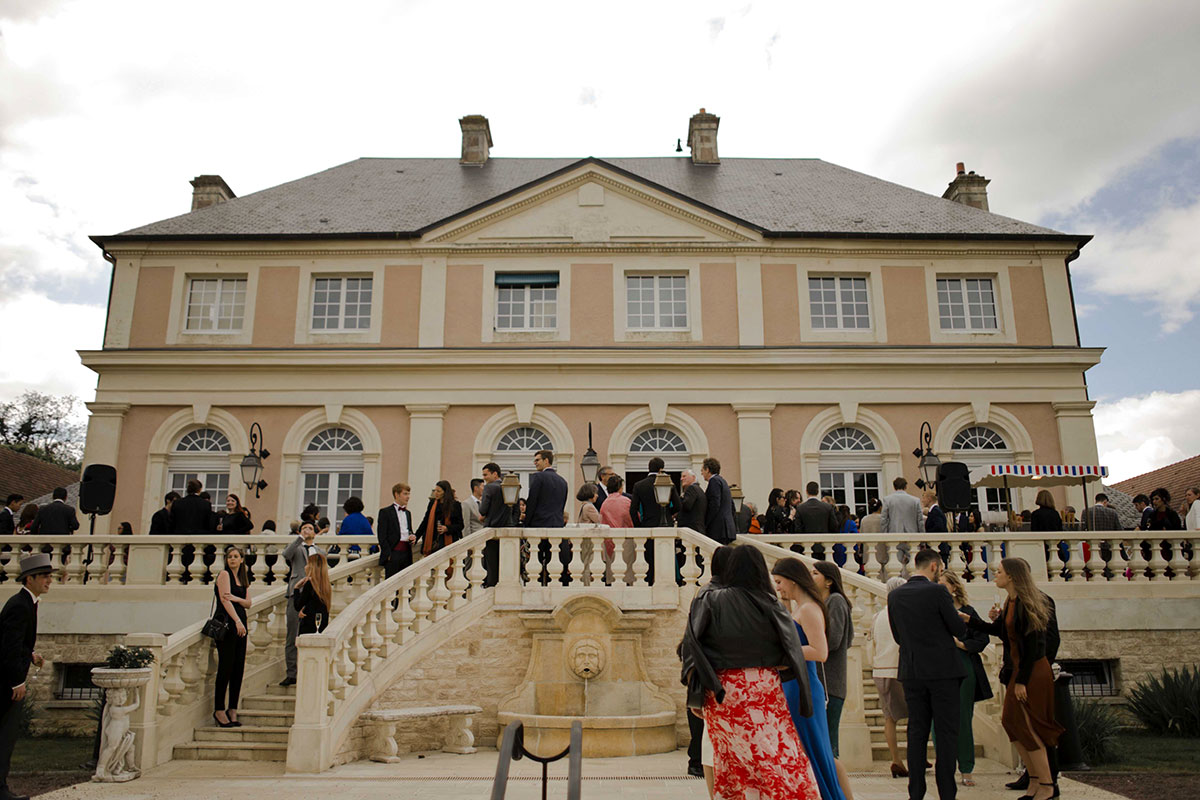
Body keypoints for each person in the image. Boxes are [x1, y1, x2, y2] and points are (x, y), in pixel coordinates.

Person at [680, 545, 820, 800]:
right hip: (764, 685)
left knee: (732, 760)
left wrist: (695, 690)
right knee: (776, 752)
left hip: (723, 688)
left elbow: (692, 646)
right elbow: (789, 646)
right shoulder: (769, 602)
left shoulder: (710, 598)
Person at [963, 559, 1063, 800]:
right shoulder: (1011, 602)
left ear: (1012, 576)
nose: (994, 574)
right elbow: (999, 631)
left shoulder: (1029, 603)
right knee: (1011, 723)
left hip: (1031, 672)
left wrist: (1022, 681)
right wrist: (968, 620)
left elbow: (1037, 646)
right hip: (1019, 670)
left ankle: (1047, 785)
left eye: (999, 572)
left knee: (1030, 727)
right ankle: (1036, 778)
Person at [887, 547, 970, 800]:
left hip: (912, 670)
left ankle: (916, 792)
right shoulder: (938, 592)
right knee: (946, 733)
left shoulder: (896, 595)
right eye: (941, 569)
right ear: (934, 566)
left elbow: (897, 635)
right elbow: (958, 630)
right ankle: (947, 792)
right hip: (943, 670)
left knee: (916, 731)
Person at [771, 557, 850, 800]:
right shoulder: (801, 608)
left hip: (804, 687)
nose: (778, 587)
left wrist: (783, 653)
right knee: (809, 750)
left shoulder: (809, 609)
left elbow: (821, 651)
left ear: (793, 581)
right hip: (795, 686)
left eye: (780, 582)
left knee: (816, 750)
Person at [0, 553, 52, 800]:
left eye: (49, 576)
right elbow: (7, 647)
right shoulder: (20, 606)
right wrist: (16, 682)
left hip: (10, 679)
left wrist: (31, 654)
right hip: (7, 684)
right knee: (4, 736)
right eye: (44, 576)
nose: (49, 581)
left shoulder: (27, 603)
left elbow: (16, 642)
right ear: (29, 579)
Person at [935, 570, 992, 787]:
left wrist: (962, 645)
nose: (940, 587)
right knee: (937, 719)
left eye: (943, 584)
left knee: (963, 719)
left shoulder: (968, 611)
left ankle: (966, 768)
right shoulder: (937, 610)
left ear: (954, 587)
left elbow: (982, 637)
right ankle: (944, 767)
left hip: (964, 665)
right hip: (939, 667)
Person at [684, 544, 733, 788]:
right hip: (717, 671)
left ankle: (698, 765)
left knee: (706, 737)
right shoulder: (721, 595)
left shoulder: (703, 593)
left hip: (704, 670)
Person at [811, 562, 853, 764]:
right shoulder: (823, 602)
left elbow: (834, 640)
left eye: (815, 573)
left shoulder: (835, 601)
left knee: (828, 745)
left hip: (830, 683)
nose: (811, 577)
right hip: (825, 682)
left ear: (829, 581)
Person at [870, 577, 909, 778]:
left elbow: (873, 643)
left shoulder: (878, 616)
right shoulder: (905, 614)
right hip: (901, 669)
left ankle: (896, 759)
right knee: (915, 716)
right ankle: (914, 756)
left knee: (889, 718)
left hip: (880, 669)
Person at [279, 522, 324, 687]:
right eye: (305, 528)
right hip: (295, 595)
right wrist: (300, 538)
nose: (308, 530)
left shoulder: (320, 552)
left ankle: (309, 672)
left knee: (313, 633)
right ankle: (291, 673)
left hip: (314, 597)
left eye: (311, 528)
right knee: (292, 635)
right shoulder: (296, 548)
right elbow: (286, 554)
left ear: (315, 533)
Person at [213, 544, 251, 727]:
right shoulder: (224, 575)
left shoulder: (243, 578)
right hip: (229, 624)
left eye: (236, 556)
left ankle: (232, 708)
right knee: (225, 667)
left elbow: (249, 603)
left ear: (242, 560)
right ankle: (219, 709)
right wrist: (237, 621)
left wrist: (238, 600)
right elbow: (224, 600)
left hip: (241, 626)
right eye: (230, 557)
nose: (233, 559)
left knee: (238, 669)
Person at [478, 464, 513, 586]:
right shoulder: (510, 487)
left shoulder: (489, 488)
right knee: (505, 562)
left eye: (485, 475)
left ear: (495, 474)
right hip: (507, 530)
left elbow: (483, 510)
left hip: (491, 530)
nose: (484, 478)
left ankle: (492, 587)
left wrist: (483, 514)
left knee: (491, 563)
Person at [377, 482, 416, 579]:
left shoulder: (408, 513)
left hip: (406, 553)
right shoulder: (385, 512)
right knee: (391, 582)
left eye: (408, 494)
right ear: (396, 494)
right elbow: (382, 535)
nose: (408, 497)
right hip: (393, 553)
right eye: (405, 494)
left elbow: (408, 530)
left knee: (405, 583)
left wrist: (412, 535)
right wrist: (388, 554)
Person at [417, 480, 465, 556]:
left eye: (438, 491)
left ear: (445, 492)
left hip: (449, 540)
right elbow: (425, 521)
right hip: (432, 540)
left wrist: (447, 528)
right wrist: (416, 536)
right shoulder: (432, 503)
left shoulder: (455, 505)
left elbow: (460, 525)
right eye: (435, 490)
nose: (435, 493)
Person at [630, 457, 681, 527]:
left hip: (648, 524)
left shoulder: (638, 485)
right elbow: (678, 506)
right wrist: (667, 513)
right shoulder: (668, 483)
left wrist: (639, 526)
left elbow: (633, 510)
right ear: (661, 469)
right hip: (666, 524)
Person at [525, 450, 567, 527]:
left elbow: (532, 502)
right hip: (558, 525)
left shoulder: (538, 477)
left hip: (539, 524)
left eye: (537, 460)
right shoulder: (563, 481)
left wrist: (526, 522)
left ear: (546, 461)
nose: (535, 463)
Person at [293, 552, 331, 635]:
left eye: (307, 564)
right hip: (321, 625)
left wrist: (296, 588)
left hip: (308, 626)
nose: (305, 567)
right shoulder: (326, 585)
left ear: (312, 567)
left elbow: (297, 605)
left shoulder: (310, 584)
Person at [701, 458, 736, 544]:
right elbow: (732, 506)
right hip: (726, 528)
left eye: (702, 470)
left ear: (708, 470)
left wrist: (706, 523)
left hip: (718, 529)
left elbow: (715, 504)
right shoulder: (723, 481)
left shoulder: (714, 481)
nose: (701, 473)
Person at [678, 469, 706, 534]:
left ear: (693, 477)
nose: (681, 479)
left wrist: (681, 498)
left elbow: (686, 505)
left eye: (684, 476)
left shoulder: (692, 488)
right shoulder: (699, 489)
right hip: (698, 529)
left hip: (691, 529)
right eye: (681, 476)